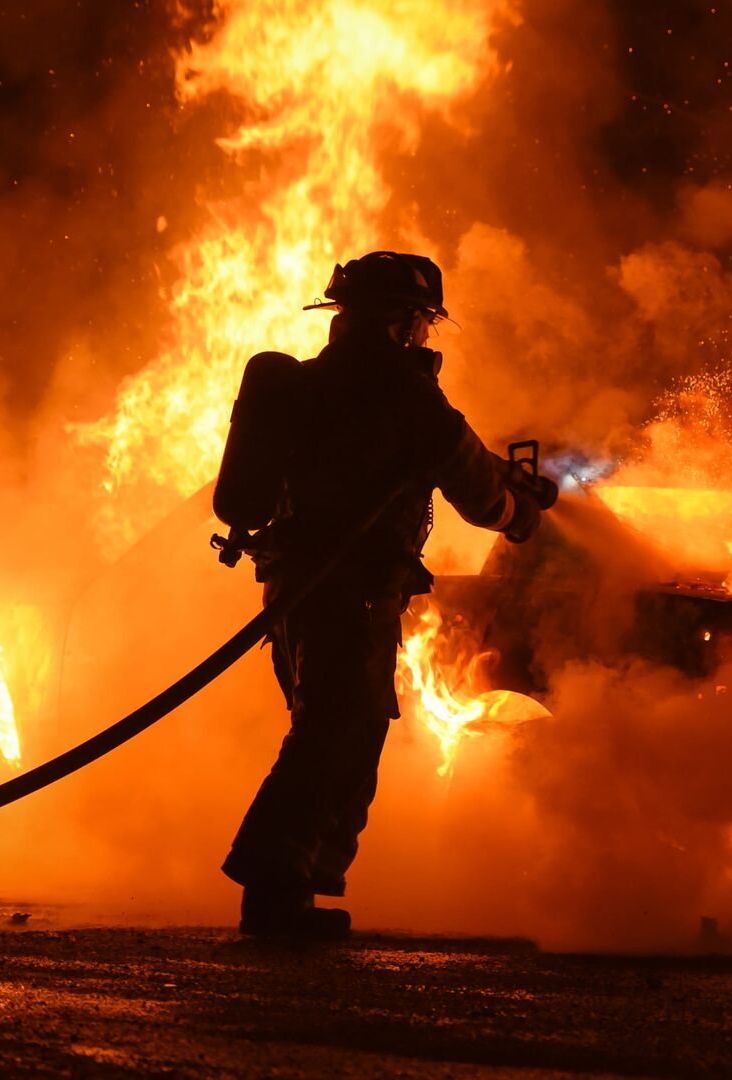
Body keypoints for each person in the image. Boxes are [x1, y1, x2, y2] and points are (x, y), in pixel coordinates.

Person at [210, 250, 545, 938]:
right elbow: (474, 485)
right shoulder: (404, 392)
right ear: (401, 323)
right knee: (333, 730)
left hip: (290, 586)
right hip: (353, 589)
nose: (425, 337)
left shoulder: (300, 386)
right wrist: (520, 514)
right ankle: (275, 887)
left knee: (342, 727)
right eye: (424, 322)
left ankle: (297, 886)